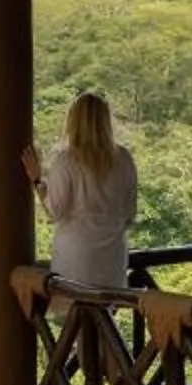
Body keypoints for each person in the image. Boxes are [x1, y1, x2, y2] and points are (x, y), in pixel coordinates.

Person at [23, 92, 139, 290]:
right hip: (112, 254)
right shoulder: (124, 158)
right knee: (105, 315)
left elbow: (55, 211)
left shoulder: (67, 161)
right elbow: (129, 212)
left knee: (76, 315)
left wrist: (36, 180)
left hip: (76, 256)